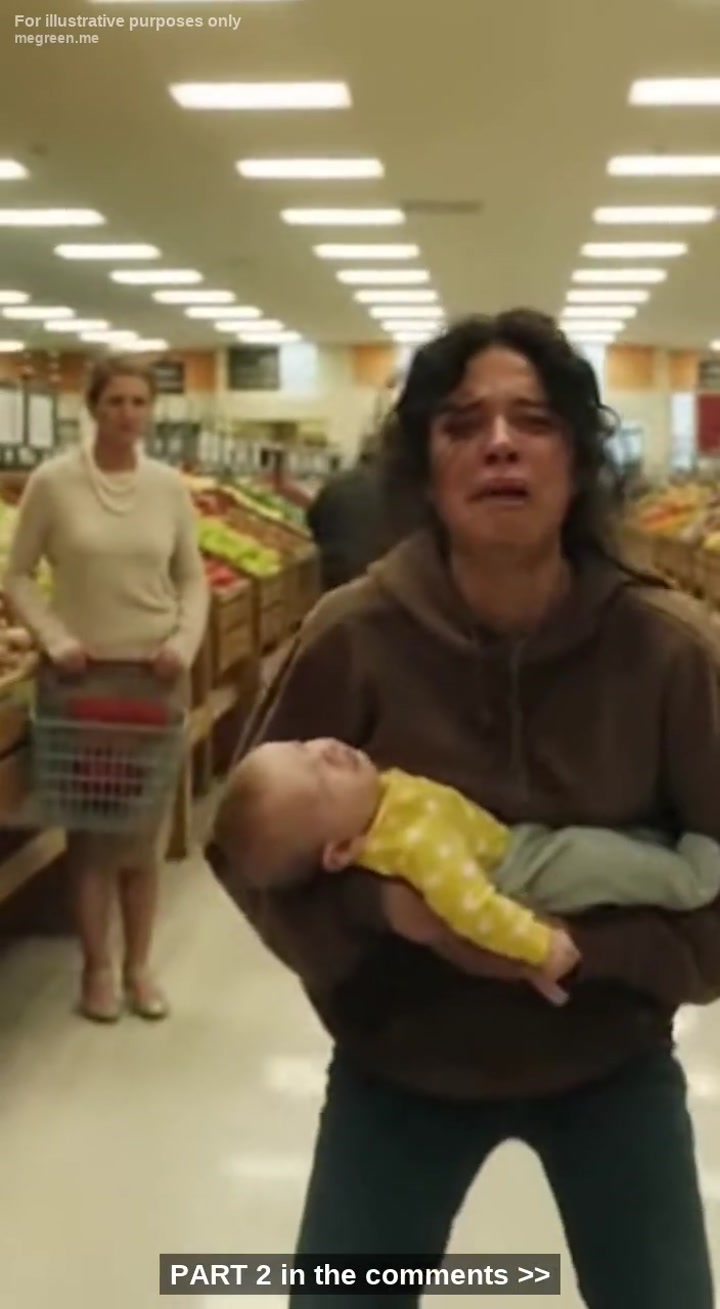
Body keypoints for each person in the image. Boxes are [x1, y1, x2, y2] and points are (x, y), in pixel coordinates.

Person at [209, 311, 720, 1308]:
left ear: (577, 458)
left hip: (609, 1057)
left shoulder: (668, 649)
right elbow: (243, 851)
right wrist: (387, 918)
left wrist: (588, 953)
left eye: (534, 420)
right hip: (402, 1062)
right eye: (462, 423)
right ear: (426, 465)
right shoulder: (352, 636)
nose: (498, 443)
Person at [5, 355, 209, 1023]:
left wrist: (182, 645)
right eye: (116, 400)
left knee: (143, 838)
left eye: (139, 402)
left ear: (152, 410)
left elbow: (191, 578)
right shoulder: (53, 483)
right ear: (91, 407)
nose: (128, 413)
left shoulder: (167, 488)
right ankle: (96, 969)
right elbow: (19, 574)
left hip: (153, 680)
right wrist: (53, 636)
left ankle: (139, 967)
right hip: (80, 680)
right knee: (91, 834)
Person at [212, 738, 720, 1005]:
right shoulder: (416, 848)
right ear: (342, 851)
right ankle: (695, 876)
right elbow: (473, 909)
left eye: (304, 746)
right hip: (518, 874)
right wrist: (542, 946)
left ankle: (663, 852)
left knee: (609, 853)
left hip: (512, 843)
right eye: (319, 782)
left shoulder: (381, 799)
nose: (324, 753)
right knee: (604, 864)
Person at [306, 434, 386, 590]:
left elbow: (313, 522)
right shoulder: (399, 489)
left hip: (337, 572)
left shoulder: (335, 484)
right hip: (378, 575)